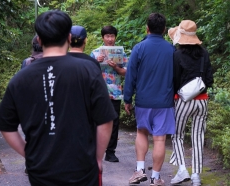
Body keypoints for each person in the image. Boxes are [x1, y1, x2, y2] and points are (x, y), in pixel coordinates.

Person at [0, 10, 117, 186]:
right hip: (82, 167)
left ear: (39, 40)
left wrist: (28, 154)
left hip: (41, 170)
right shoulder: (87, 70)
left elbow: (6, 126)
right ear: (68, 37)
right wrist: (97, 158)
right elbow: (105, 120)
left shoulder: (21, 78)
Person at [124, 13, 175, 186]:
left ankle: (139, 170)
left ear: (147, 28)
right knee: (160, 139)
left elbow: (131, 75)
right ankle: (156, 177)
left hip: (143, 100)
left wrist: (127, 98)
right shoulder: (172, 50)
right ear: (164, 30)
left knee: (141, 132)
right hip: (165, 101)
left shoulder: (139, 48)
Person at [168, 20, 214, 186]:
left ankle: (182, 170)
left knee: (177, 135)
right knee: (198, 137)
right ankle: (196, 176)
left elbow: (174, 80)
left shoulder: (177, 55)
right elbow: (209, 79)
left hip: (182, 102)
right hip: (202, 101)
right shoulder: (204, 53)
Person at [91, 25, 128, 163]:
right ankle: (95, 149)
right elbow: (88, 72)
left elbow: (126, 72)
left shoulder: (121, 53)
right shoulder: (95, 53)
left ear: (115, 37)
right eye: (107, 36)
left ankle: (110, 152)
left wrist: (116, 67)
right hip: (98, 92)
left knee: (114, 122)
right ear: (103, 37)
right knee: (96, 121)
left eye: (112, 36)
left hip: (115, 92)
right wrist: (96, 62)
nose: (110, 39)